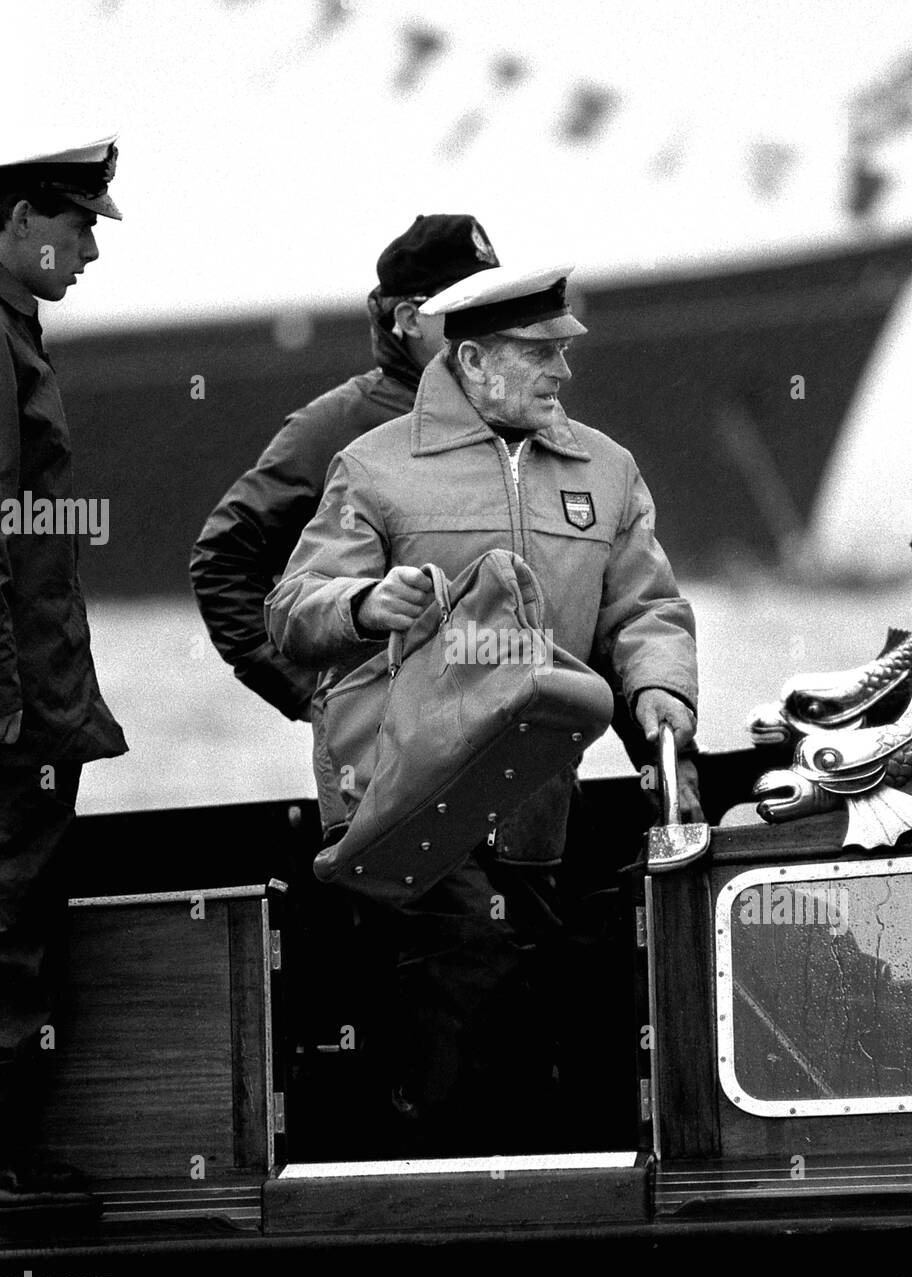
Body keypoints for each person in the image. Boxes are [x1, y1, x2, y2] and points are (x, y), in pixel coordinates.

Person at [265, 264, 698, 1155]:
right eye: (540, 353)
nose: (562, 372)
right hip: (404, 801)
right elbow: (288, 609)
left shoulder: (606, 470)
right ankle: (447, 1210)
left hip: (535, 806)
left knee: (527, 1000)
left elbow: (643, 612)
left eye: (565, 351)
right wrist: (360, 606)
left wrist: (661, 690)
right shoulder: (376, 467)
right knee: (467, 985)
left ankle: (500, 1200)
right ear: (472, 358)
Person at [189, 213, 499, 828]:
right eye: (467, 307)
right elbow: (223, 560)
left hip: (512, 767)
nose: (492, 326)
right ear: (409, 320)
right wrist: (313, 695)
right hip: (388, 779)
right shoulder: (335, 428)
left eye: (496, 304)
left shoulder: (513, 419)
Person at [0, 135, 127, 1205]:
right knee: (8, 925)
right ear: (16, 222)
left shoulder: (15, 337)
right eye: (77, 222)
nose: (89, 246)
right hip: (15, 717)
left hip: (36, 704)